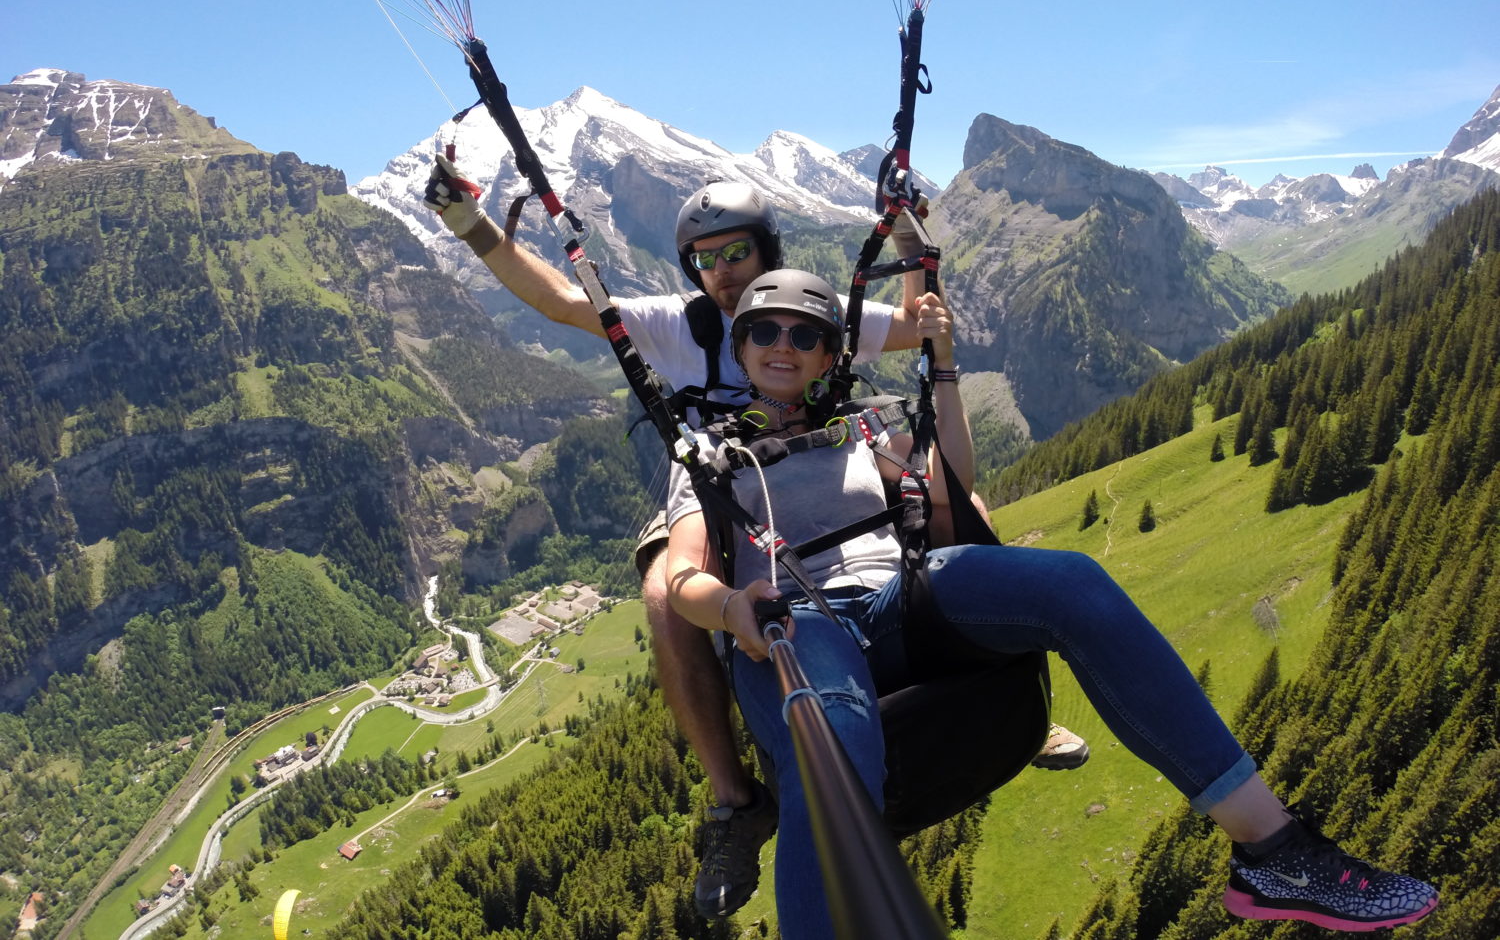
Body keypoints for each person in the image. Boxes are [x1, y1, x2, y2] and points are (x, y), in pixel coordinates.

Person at [663, 268, 1440, 939]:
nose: (782, 346)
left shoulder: (863, 428)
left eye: (804, 335)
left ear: (832, 353)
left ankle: (1276, 852)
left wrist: (943, 367)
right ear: (741, 347)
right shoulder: (706, 457)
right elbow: (680, 578)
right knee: (828, 732)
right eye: (764, 330)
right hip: (789, 623)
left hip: (898, 594)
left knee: (1071, 582)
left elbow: (950, 491)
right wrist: (734, 610)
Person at [423, 162, 1089, 917]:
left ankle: (996, 669)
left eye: (734, 253)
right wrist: (467, 222)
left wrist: (907, 231)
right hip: (716, 486)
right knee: (664, 594)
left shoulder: (806, 309)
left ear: (766, 252)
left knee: (958, 498)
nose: (722, 274)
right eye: (705, 260)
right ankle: (734, 801)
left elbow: (912, 326)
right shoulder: (683, 326)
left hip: (822, 461)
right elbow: (563, 301)